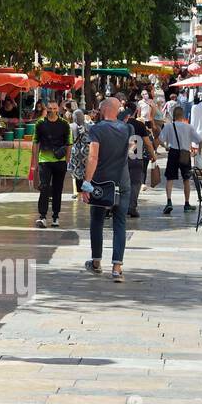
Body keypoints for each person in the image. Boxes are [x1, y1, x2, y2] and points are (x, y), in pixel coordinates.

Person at [81, 97, 131, 282]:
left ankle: (96, 262)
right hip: (122, 181)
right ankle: (117, 268)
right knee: (120, 222)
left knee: (97, 220)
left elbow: (93, 157)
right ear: (117, 110)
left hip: (101, 183)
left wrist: (86, 183)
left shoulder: (97, 129)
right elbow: (131, 150)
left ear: (102, 111)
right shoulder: (127, 129)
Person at [30, 100, 70, 228]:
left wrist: (67, 161)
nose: (52, 111)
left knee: (58, 189)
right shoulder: (40, 123)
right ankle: (42, 216)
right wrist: (35, 162)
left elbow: (69, 143)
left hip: (60, 161)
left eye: (54, 108)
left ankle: (56, 216)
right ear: (46, 109)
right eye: (50, 108)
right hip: (44, 161)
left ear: (58, 109)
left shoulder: (65, 124)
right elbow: (35, 142)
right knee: (44, 188)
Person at [159, 105, 202, 214]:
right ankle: (187, 204)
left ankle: (169, 201)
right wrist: (198, 153)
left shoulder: (168, 126)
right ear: (182, 115)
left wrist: (165, 147)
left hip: (173, 152)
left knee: (170, 178)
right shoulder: (189, 127)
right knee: (186, 179)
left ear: (173, 115)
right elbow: (200, 140)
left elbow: (160, 139)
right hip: (184, 153)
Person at [124, 107, 157, 219]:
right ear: (135, 112)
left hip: (123, 157)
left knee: (121, 183)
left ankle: (117, 206)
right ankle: (132, 207)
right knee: (135, 183)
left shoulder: (120, 124)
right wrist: (153, 155)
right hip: (136, 157)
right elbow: (147, 143)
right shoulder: (139, 125)